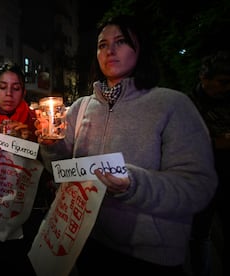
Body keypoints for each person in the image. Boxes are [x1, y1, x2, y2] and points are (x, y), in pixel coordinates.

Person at [34, 15, 218, 276]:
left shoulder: (172, 106)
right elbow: (61, 171)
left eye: (120, 41)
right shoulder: (80, 108)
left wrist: (133, 185)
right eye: (102, 44)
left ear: (139, 48)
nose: (110, 50)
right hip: (87, 243)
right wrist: (51, 145)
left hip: (149, 256)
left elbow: (197, 187)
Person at [0, 62, 54, 276]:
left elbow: (50, 172)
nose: (9, 93)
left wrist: (34, 145)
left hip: (29, 220)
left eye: (15, 88)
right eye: (3, 87)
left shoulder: (39, 125)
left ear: (23, 91)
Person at [189, 50, 229, 276]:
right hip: (200, 179)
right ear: (205, 79)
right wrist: (215, 142)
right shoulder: (186, 105)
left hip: (227, 176)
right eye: (222, 82)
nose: (227, 87)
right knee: (199, 235)